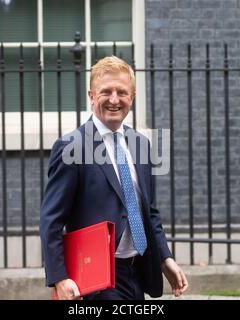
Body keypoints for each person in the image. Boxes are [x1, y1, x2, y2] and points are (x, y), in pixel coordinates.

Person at [40, 55, 188, 300]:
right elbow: (51, 220)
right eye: (105, 92)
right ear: (91, 96)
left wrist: (165, 258)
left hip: (137, 273)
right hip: (96, 278)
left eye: (122, 92)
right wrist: (60, 278)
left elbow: (148, 211)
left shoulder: (140, 144)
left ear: (132, 97)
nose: (114, 100)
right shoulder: (70, 147)